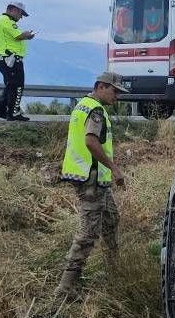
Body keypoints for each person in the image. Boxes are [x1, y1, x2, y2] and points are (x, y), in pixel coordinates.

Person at [55, 72, 129, 299]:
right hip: (91, 179)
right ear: (100, 86)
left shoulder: (82, 106)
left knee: (111, 218)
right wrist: (115, 168)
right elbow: (90, 142)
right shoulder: (96, 111)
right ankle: (66, 288)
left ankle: (114, 270)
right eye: (114, 91)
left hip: (91, 178)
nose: (117, 96)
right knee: (87, 233)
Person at [0, 1, 35, 121]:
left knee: (11, 84)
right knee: (17, 85)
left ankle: (0, 109)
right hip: (10, 59)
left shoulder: (4, 21)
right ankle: (13, 113)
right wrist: (27, 34)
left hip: (6, 58)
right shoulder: (6, 20)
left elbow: (15, 37)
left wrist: (26, 36)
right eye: (21, 14)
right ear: (14, 10)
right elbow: (18, 36)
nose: (21, 17)